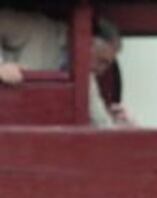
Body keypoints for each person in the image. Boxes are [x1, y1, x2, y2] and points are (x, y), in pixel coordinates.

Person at [0, 8, 131, 127]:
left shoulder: (86, 77)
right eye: (102, 61)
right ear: (87, 44)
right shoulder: (36, 29)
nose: (102, 70)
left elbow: (100, 123)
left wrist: (126, 126)